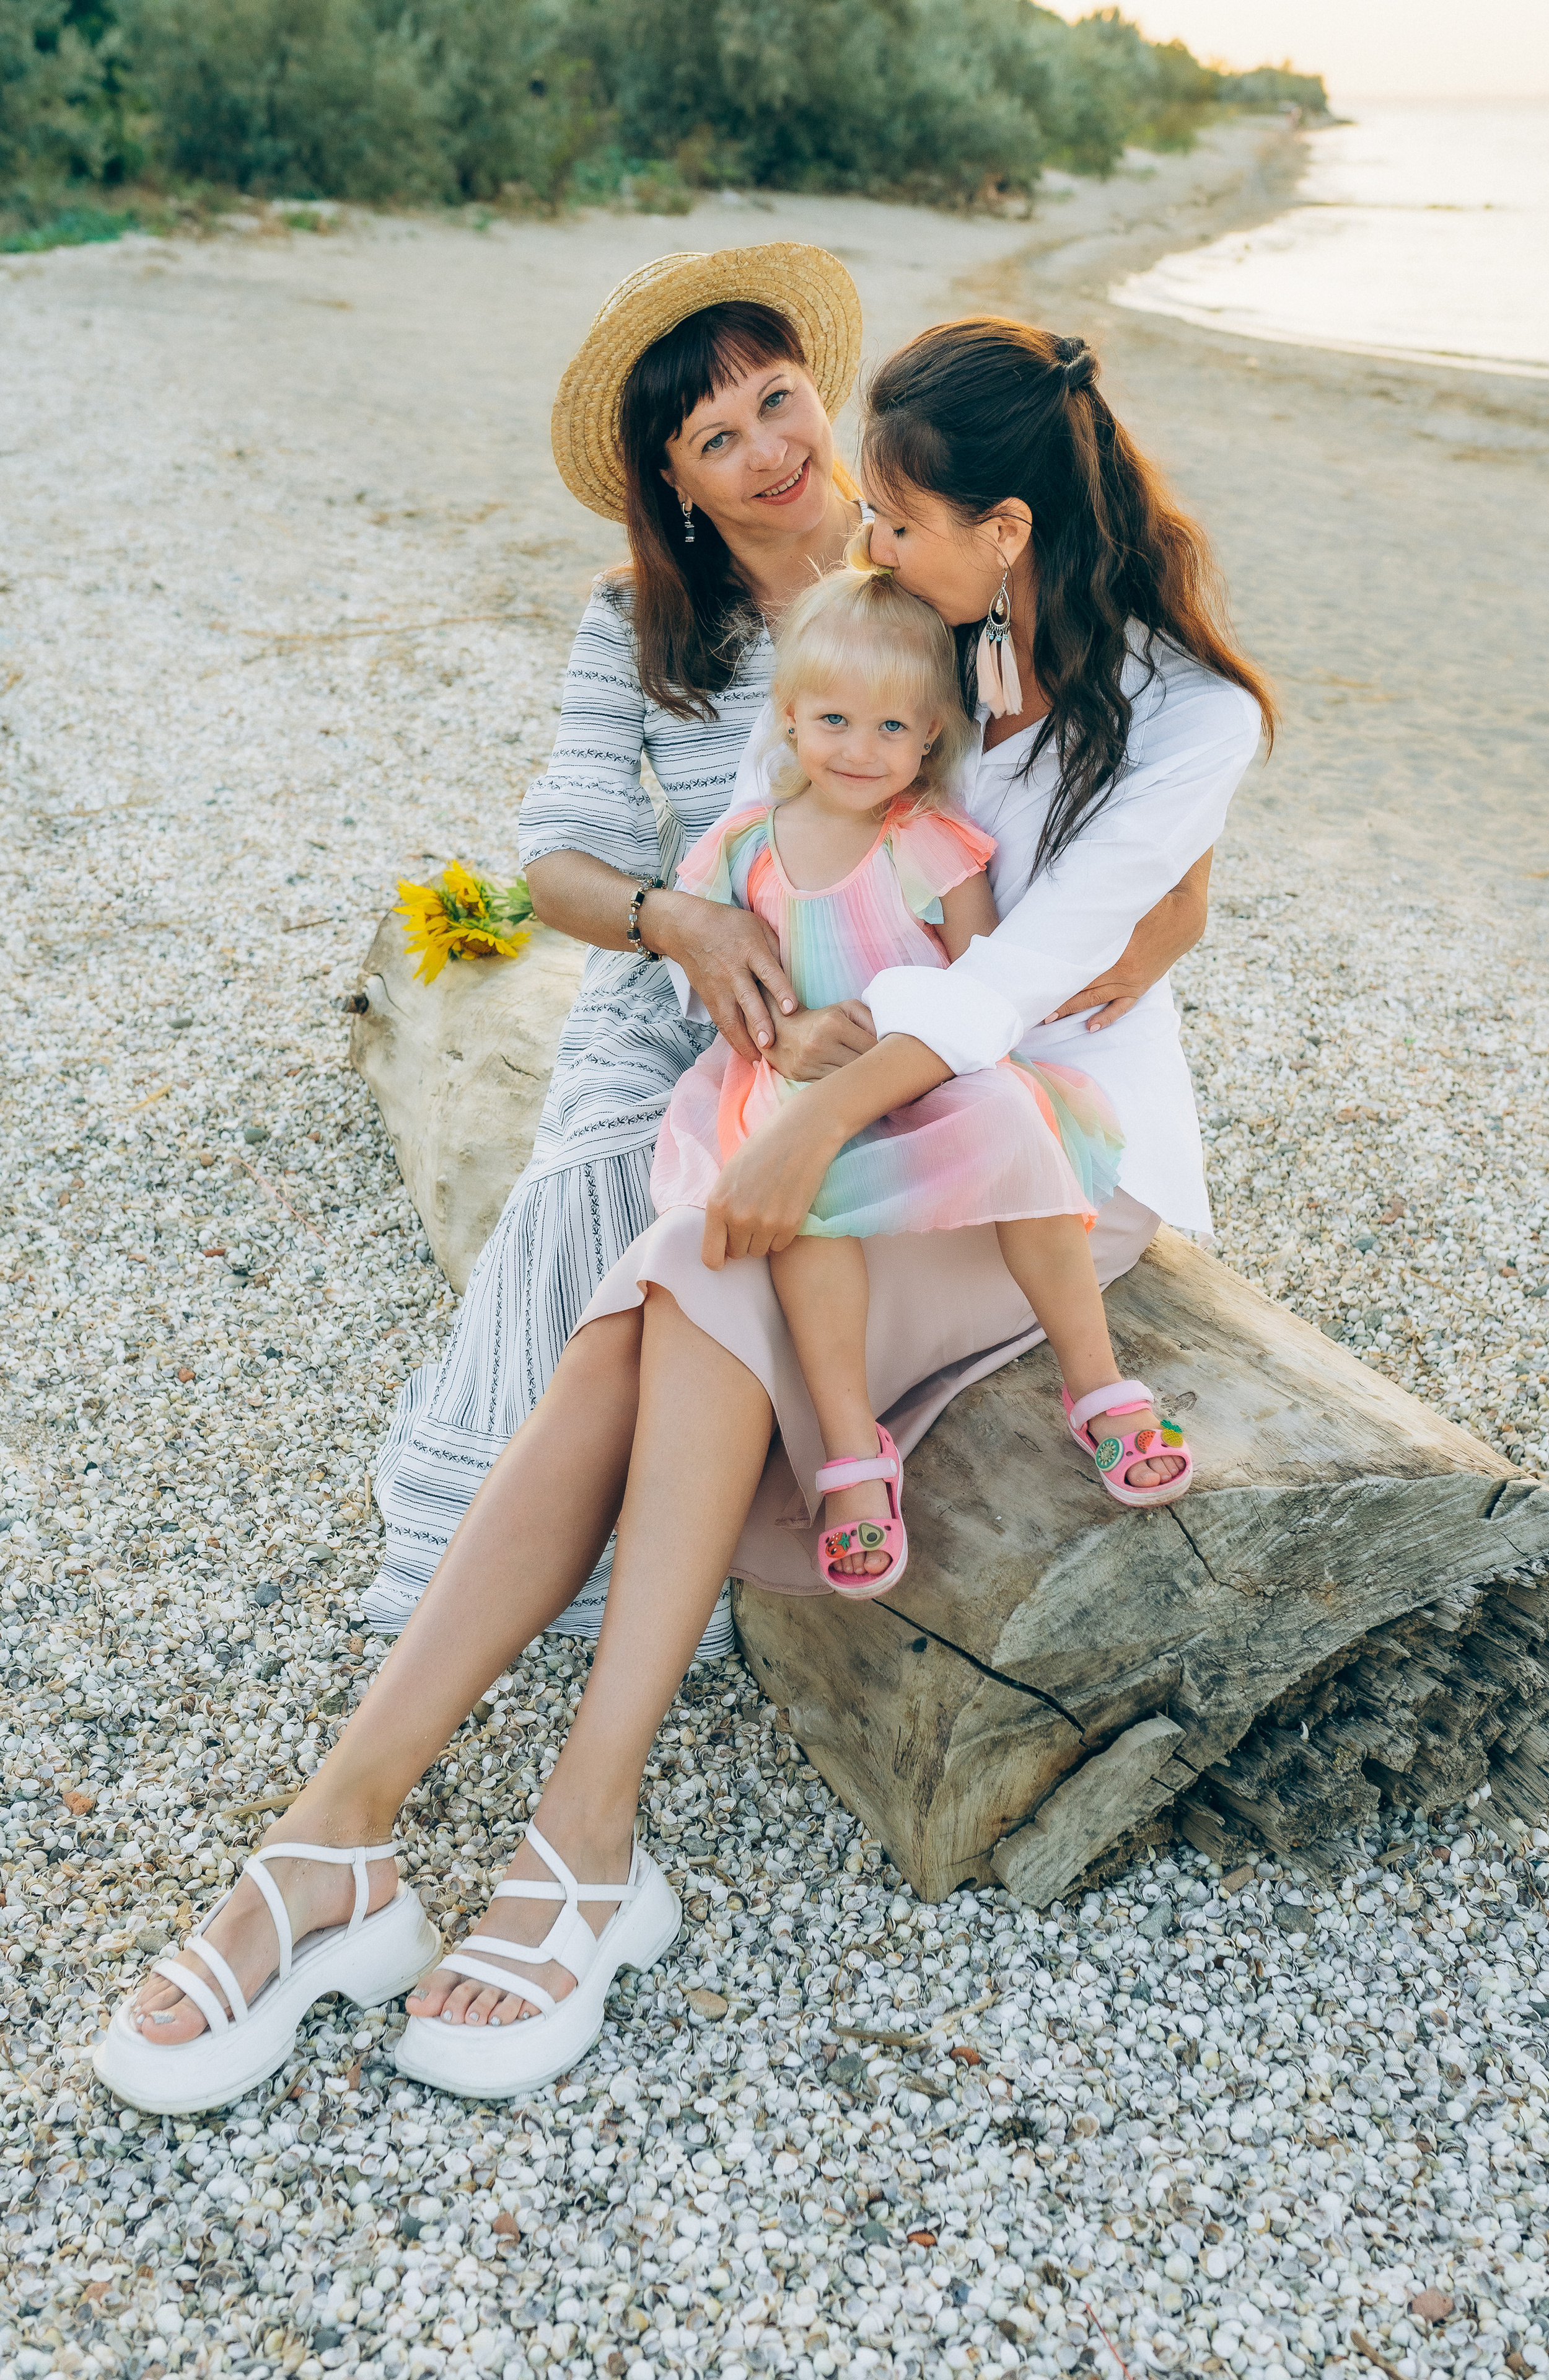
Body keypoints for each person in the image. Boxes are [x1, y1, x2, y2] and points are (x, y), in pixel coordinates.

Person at [95, 298, 1261, 2117]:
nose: (862, 531)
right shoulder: (899, 647)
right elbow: (764, 855)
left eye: (897, 508)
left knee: (698, 1275)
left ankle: (534, 1835)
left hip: (1045, 1153)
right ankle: (388, 1838)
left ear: (1006, 530)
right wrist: (751, 1057)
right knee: (675, 1291)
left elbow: (1013, 981)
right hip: (838, 1104)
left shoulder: (1182, 715)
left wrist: (797, 1140)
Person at [362, 245, 1209, 1655]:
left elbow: (1097, 748)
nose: (765, 451)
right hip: (692, 1004)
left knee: (780, 1237)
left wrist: (1182, 895)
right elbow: (559, 860)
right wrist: (680, 923)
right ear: (673, 483)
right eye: (714, 438)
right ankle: (519, 1587)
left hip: (909, 1003)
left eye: (775, 398)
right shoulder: (637, 623)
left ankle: (756, 1521)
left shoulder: (931, 571)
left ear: (820, 395)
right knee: (593, 1223)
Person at [652, 560, 1187, 1598]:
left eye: (895, 730)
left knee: (1018, 1126)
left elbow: (982, 985)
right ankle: (851, 1450)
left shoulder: (930, 844)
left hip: (930, 1076)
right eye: (836, 721)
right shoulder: (745, 846)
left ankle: (1097, 1378)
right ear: (790, 716)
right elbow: (722, 976)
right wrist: (781, 1038)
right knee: (805, 1213)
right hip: (805, 1082)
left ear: (934, 737)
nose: (861, 750)